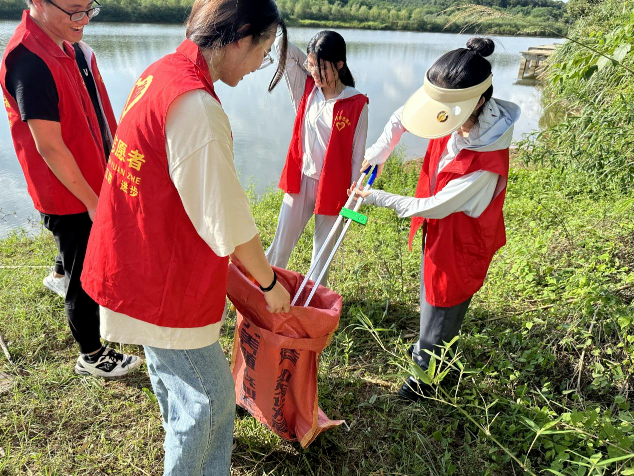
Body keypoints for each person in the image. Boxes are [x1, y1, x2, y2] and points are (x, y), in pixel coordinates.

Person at [80, 0, 291, 472]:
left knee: (178, 388)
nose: (262, 64)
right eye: (265, 48)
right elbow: (228, 218)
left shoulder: (162, 72)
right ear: (241, 36)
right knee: (209, 403)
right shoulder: (195, 105)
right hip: (157, 280)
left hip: (136, 257)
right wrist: (269, 284)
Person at [351, 38, 521, 402]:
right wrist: (378, 153)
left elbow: (434, 206)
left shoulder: (486, 160)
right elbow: (402, 118)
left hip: (462, 245)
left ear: (477, 101)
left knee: (441, 311)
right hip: (441, 236)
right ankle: (442, 366)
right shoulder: (453, 109)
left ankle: (421, 387)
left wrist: (376, 196)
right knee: (431, 303)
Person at [0, 0, 142, 377]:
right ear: (38, 3)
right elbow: (48, 146)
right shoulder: (28, 60)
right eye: (74, 11)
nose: (84, 20)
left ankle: (60, 273)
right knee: (85, 272)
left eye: (89, 9)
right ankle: (92, 355)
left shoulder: (64, 44)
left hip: (88, 179)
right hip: (68, 193)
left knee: (78, 259)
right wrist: (93, 201)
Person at [266, 30, 369, 285]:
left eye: (321, 68)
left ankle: (313, 310)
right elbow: (283, 46)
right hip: (301, 181)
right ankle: (260, 293)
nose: (314, 73)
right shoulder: (306, 89)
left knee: (321, 257)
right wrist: (313, 61)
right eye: (311, 66)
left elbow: (358, 156)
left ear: (340, 65)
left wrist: (353, 196)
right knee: (280, 246)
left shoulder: (357, 103)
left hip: (334, 188)